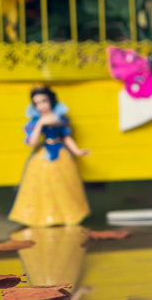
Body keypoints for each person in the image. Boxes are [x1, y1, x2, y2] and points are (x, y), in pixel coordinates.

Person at [9, 85, 91, 227]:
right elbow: (32, 142)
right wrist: (40, 124)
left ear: (51, 100)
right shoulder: (35, 121)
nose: (41, 106)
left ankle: (67, 214)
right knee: (43, 186)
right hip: (43, 155)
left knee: (65, 186)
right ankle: (44, 215)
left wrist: (77, 151)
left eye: (44, 101)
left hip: (61, 154)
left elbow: (66, 136)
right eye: (37, 103)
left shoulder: (60, 118)